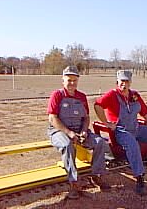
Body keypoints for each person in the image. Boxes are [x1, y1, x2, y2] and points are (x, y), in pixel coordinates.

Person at [94, 70, 147, 196]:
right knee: (132, 144)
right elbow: (97, 105)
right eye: (122, 81)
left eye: (127, 81)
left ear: (130, 83)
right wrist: (107, 123)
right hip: (121, 131)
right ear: (117, 82)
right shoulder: (112, 95)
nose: (124, 84)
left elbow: (145, 112)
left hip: (136, 128)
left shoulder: (134, 95)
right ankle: (139, 177)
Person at [47, 66, 110, 199]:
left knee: (99, 142)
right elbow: (53, 118)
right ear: (63, 81)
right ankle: (73, 182)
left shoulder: (81, 97)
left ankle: (97, 175)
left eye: (75, 80)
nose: (72, 83)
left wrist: (83, 131)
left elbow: (86, 117)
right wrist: (69, 133)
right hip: (59, 131)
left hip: (79, 130)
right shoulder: (57, 95)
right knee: (67, 145)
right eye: (69, 80)